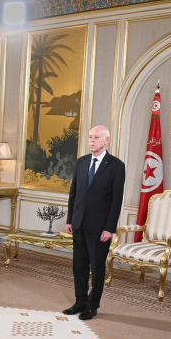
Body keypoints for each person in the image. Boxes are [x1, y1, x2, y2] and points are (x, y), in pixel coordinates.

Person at [64, 126, 126, 320]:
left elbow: (116, 200)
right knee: (79, 265)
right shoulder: (81, 162)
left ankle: (93, 305)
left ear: (106, 140)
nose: (91, 140)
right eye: (90, 137)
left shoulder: (116, 165)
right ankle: (80, 301)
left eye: (96, 137)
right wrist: (70, 219)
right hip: (78, 223)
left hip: (100, 227)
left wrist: (109, 228)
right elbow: (74, 193)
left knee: (97, 267)